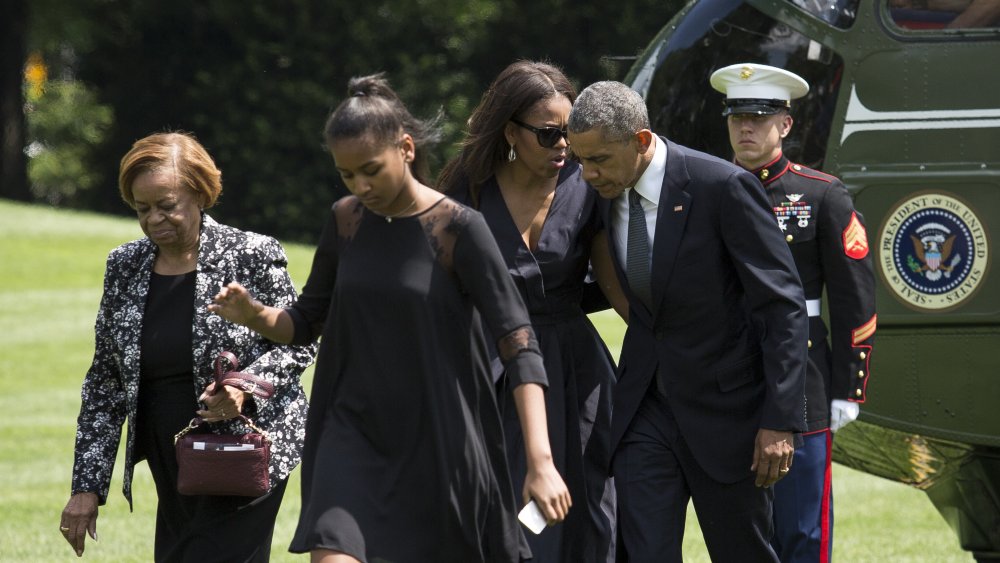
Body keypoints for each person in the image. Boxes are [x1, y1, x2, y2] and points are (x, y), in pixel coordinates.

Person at [209, 73, 571, 563]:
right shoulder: (345, 221)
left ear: (405, 148)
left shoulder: (459, 228)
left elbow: (518, 341)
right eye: (346, 174)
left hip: (439, 440)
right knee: (333, 550)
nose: (360, 186)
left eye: (370, 170)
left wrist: (540, 461)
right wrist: (253, 314)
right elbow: (305, 321)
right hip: (351, 432)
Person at [566, 81, 809, 562]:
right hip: (644, 411)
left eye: (599, 160)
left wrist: (780, 419)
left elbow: (782, 306)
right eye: (580, 160)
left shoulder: (723, 187)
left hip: (728, 415)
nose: (587, 173)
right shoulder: (602, 190)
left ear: (640, 141)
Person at [59, 131, 315, 561]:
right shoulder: (124, 265)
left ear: (199, 194)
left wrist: (244, 387)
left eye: (166, 206)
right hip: (173, 453)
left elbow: (300, 341)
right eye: (142, 209)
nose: (154, 219)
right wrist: (86, 486)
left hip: (245, 448)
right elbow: (105, 382)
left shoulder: (250, 253)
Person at [437, 60, 625, 563]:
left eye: (570, 132)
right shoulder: (464, 194)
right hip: (491, 370)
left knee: (590, 506)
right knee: (501, 512)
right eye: (549, 134)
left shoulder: (590, 186)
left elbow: (618, 289)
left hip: (575, 371)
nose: (563, 144)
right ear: (511, 132)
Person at [710, 62, 878, 563]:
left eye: (759, 117)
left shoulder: (821, 195)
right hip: (725, 377)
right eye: (737, 117)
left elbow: (855, 298)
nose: (745, 128)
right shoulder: (703, 191)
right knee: (742, 531)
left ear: (785, 124)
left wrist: (849, 386)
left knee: (802, 528)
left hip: (802, 377)